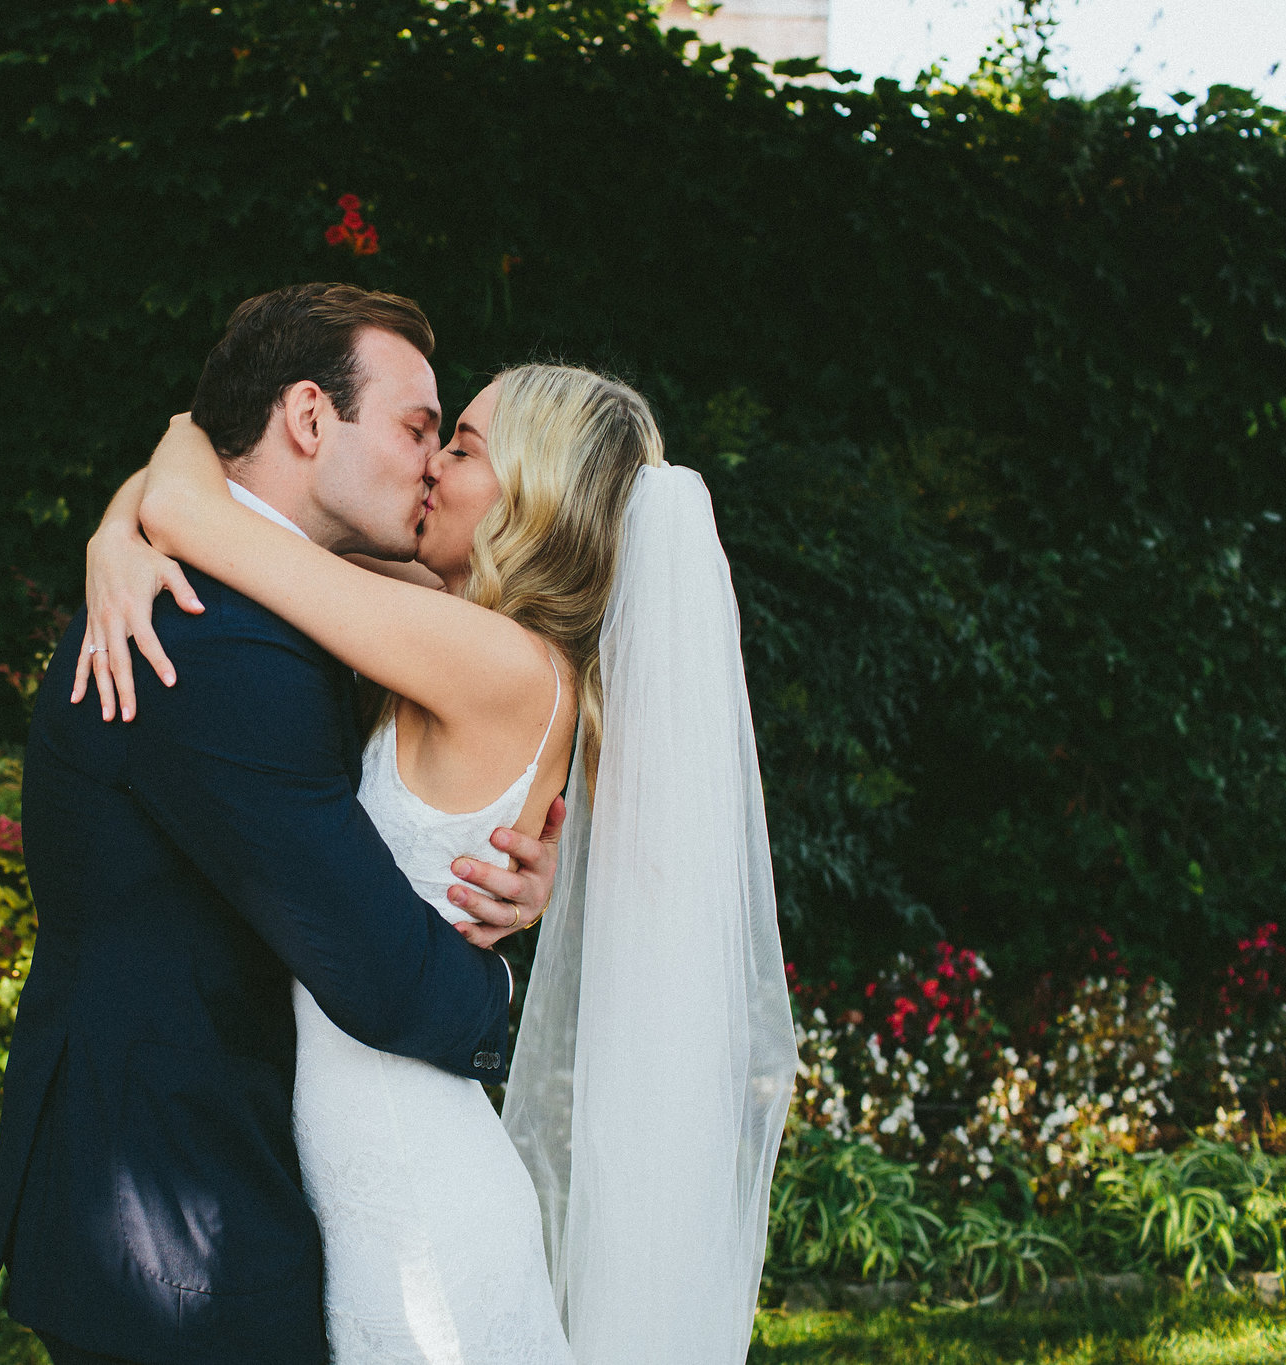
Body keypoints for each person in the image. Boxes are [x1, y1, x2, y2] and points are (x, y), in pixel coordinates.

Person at [80, 301, 799, 1361]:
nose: (429, 469)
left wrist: (128, 529)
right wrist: (116, 531)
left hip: (412, 1207)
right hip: (374, 1178)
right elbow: (222, 483)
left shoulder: (495, 664)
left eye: (459, 447)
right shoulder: (463, 627)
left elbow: (202, 511)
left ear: (530, 496)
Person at [0, 284, 566, 1365]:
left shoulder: (269, 597)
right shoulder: (213, 639)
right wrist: (499, 983)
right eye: (416, 427)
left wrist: (127, 516)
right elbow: (380, 974)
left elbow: (182, 457)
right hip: (180, 1209)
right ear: (306, 418)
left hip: (221, 1169)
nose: (432, 463)